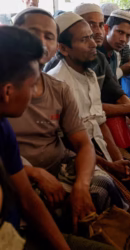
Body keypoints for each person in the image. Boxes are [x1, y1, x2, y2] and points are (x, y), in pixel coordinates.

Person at [12, 7, 129, 232]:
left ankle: (100, 235)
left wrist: (82, 185)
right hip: (19, 176)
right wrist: (35, 173)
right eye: (33, 33)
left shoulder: (58, 89)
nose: (41, 42)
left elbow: (83, 143)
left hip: (61, 165)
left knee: (101, 187)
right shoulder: (8, 93)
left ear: (57, 46)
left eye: (49, 36)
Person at [48, 12, 130, 234]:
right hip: (80, 158)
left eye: (93, 35)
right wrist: (109, 165)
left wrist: (117, 159)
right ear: (63, 49)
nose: (94, 43)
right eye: (85, 39)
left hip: (99, 149)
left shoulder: (90, 73)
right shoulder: (58, 82)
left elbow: (100, 124)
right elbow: (70, 144)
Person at [0, 25, 70, 250]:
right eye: (31, 86)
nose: (33, 95)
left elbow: (27, 197)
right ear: (7, 92)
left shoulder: (3, 127)